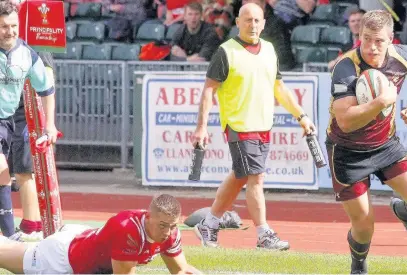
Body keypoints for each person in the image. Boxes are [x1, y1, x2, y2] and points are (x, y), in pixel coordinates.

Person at [192, 2, 316, 251]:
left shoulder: (269, 50)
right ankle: (263, 233)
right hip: (238, 124)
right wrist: (201, 127)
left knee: (240, 177)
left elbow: (279, 87)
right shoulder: (226, 51)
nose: (253, 25)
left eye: (257, 20)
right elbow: (209, 90)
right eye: (247, 20)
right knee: (255, 179)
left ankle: (210, 222)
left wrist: (302, 116)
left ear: (264, 23)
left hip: (262, 124)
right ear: (237, 23)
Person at [327, 10, 407, 274]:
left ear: (391, 40)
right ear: (359, 37)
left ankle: (404, 210)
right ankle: (359, 264)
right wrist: (381, 103)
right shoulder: (346, 67)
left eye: (378, 41)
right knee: (364, 228)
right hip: (347, 152)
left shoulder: (401, 56)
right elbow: (346, 121)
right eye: (366, 39)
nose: (372, 47)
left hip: (386, 145)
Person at [0, 193, 202, 274]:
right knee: (5, 256)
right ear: (149, 217)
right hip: (63, 260)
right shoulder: (128, 230)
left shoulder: (172, 233)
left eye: (173, 226)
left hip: (86, 241)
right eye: (163, 226)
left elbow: (180, 270)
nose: (167, 232)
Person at [0, 0, 57, 238]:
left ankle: (12, 231)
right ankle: (11, 233)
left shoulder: (27, 54)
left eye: (13, 26)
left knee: (6, 174)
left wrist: (50, 125)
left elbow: (47, 89)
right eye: (3, 26)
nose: (10, 31)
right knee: (2, 169)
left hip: (7, 120)